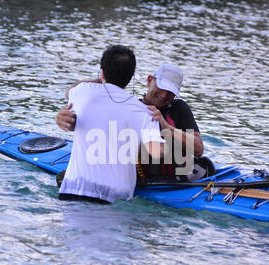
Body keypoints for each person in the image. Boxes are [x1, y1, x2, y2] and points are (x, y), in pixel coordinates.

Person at [57, 63, 210, 182]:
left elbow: (198, 149)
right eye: (161, 88)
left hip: (180, 179)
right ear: (150, 80)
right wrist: (106, 79)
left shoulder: (179, 108)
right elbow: (70, 92)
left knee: (204, 165)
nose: (164, 96)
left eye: (170, 93)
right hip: (141, 179)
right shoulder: (131, 107)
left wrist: (166, 127)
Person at [57, 45, 165, 203]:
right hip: (115, 200)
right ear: (131, 77)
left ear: (102, 72)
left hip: (74, 190)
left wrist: (102, 78)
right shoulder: (147, 112)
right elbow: (156, 152)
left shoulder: (83, 92)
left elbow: (69, 91)